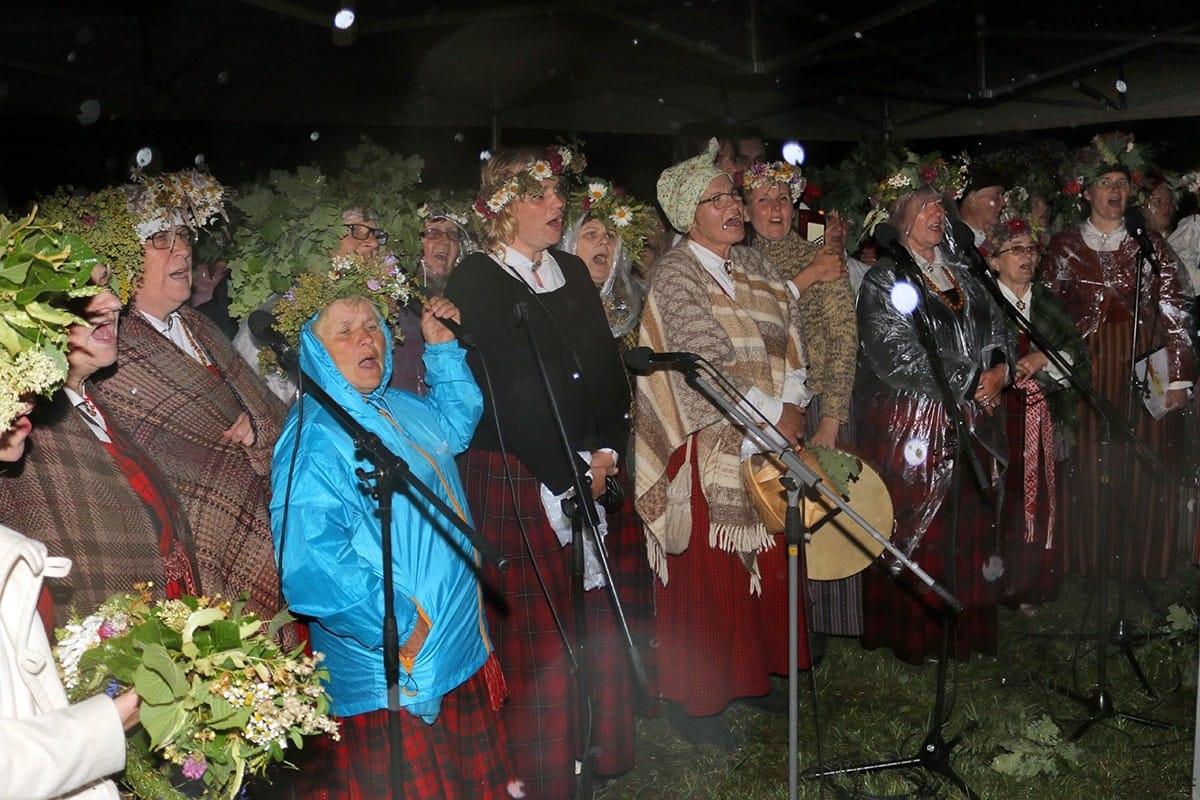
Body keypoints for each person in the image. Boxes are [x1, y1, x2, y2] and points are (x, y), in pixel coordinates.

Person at [444, 145, 638, 797]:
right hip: (521, 472)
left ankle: (590, 746)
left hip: (591, 465)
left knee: (593, 621)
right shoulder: (477, 278)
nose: (558, 205)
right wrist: (565, 476)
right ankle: (536, 767)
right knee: (538, 633)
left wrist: (608, 449)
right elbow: (510, 392)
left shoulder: (570, 273)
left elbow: (606, 368)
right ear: (503, 210)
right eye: (541, 196)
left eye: (559, 194)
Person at [269, 294, 515, 799]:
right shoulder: (314, 440)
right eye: (344, 331)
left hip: (456, 645)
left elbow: (453, 429)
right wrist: (404, 628)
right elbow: (314, 567)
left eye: (373, 326)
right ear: (313, 350)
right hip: (399, 669)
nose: (367, 339)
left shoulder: (393, 407)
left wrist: (443, 351)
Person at [635, 139, 811, 748]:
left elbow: (792, 339)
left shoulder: (758, 266)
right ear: (688, 215)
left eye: (731, 195)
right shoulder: (675, 274)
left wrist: (792, 403)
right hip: (703, 443)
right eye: (717, 200)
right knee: (709, 579)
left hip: (767, 435)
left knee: (763, 564)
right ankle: (696, 700)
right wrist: (769, 419)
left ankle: (754, 677)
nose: (733, 206)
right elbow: (701, 365)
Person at [89, 169, 288, 623]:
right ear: (124, 258)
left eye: (182, 235)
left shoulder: (198, 325)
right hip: (202, 553)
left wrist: (260, 426)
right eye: (160, 238)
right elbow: (168, 460)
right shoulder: (114, 348)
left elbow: (271, 410)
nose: (182, 248)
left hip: (270, 529)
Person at [855, 173, 1012, 665]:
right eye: (923, 206)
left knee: (967, 525)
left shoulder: (961, 270)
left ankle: (964, 636)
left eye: (939, 206)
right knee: (920, 528)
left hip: (970, 415)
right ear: (899, 219)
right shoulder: (886, 278)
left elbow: (997, 322)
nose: (936, 213)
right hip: (913, 424)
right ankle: (919, 639)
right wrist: (971, 380)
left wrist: (1000, 367)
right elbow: (894, 352)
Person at [1040, 133, 1196, 579]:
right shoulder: (1064, 246)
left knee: (1141, 463)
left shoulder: (1151, 246)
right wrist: (1053, 372)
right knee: (1087, 465)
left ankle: (1139, 566)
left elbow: (1174, 312)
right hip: (1085, 370)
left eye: (1122, 183)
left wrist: (1180, 381)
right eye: (1105, 181)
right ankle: (1088, 566)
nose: (1115, 190)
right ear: (1086, 192)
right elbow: (1046, 315)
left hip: (1142, 368)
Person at [0, 288, 201, 618]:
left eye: (109, 285)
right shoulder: (24, 426)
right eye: (85, 293)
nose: (113, 303)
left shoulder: (102, 395)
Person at [741, 160, 861, 652]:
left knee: (818, 519)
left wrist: (831, 418)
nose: (775, 208)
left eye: (783, 199)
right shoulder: (736, 260)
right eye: (764, 200)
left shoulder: (820, 256)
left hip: (809, 408)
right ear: (746, 211)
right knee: (765, 523)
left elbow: (841, 339)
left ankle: (818, 633)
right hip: (751, 410)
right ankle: (770, 631)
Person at [982, 218, 1089, 614]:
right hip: (993, 418)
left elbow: (1079, 359)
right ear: (993, 261)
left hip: (1040, 419)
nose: (1027, 257)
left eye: (1031, 249)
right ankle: (990, 588)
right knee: (993, 500)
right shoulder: (981, 301)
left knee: (1035, 500)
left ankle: (1027, 588)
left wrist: (1042, 357)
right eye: (1016, 249)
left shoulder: (1046, 302)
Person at [958, 167, 1008, 246]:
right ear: (973, 199)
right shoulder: (958, 242)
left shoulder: (1003, 237)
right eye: (997, 195)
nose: (1003, 203)